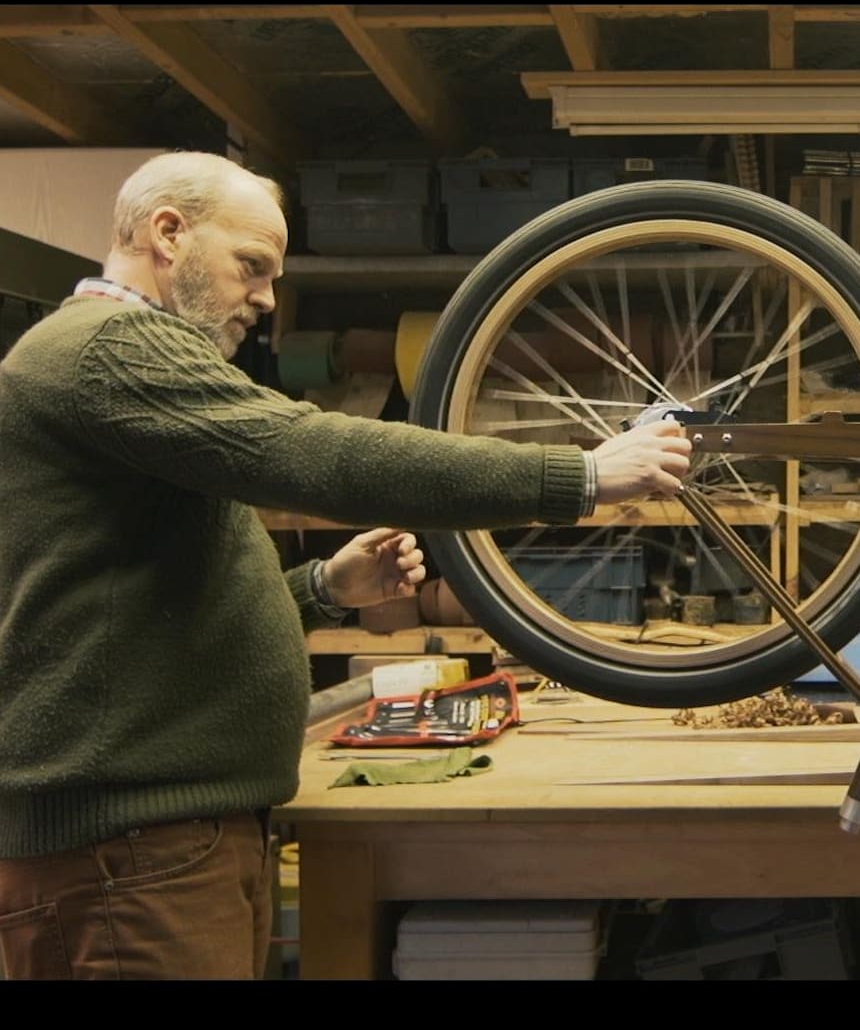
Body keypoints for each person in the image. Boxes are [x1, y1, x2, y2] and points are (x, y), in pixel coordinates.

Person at [0, 150, 692, 980]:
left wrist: (325, 588)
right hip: (127, 851)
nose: (266, 298)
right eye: (251, 266)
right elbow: (314, 451)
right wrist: (578, 476)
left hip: (161, 841)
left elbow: (148, 607)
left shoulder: (116, 365)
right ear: (169, 234)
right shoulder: (109, 348)